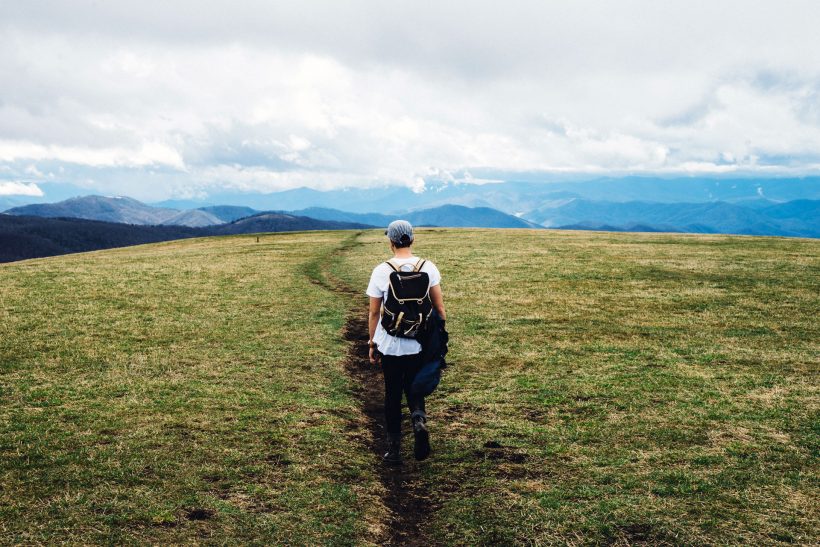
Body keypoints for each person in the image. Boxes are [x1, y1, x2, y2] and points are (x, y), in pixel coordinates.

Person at [366, 220, 446, 465]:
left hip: (391, 343)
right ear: (412, 239)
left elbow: (374, 313)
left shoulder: (382, 270)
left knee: (392, 393)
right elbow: (439, 307)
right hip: (418, 342)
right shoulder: (427, 267)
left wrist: (372, 343)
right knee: (414, 387)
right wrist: (438, 337)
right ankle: (418, 418)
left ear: (391, 241)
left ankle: (393, 449)